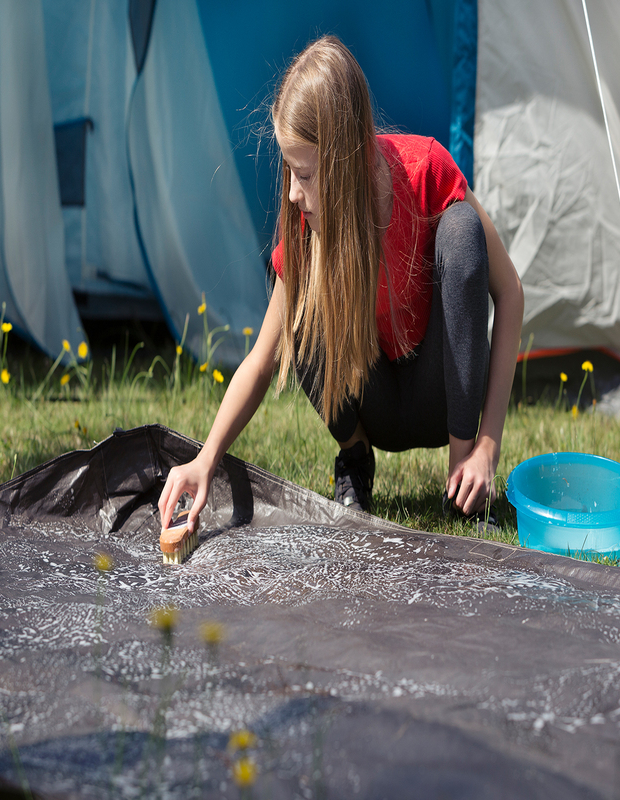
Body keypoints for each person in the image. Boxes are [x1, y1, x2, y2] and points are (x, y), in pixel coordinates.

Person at [159, 35, 523, 533]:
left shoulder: (426, 170)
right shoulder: (307, 229)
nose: (292, 192)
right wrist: (205, 459)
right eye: (289, 171)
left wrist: (487, 445)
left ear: (346, 161)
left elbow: (511, 293)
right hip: (374, 409)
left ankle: (462, 482)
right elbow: (262, 361)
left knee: (462, 231)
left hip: (440, 396)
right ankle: (355, 459)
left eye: (304, 174)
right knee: (297, 297)